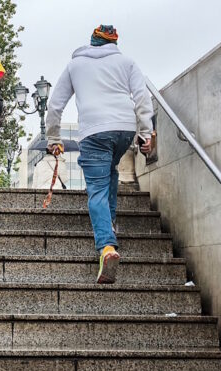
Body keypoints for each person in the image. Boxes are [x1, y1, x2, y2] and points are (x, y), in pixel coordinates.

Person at [45, 24, 154, 284]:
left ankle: (106, 245)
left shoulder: (76, 65)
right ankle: (111, 222)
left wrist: (53, 138)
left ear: (93, 42)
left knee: (96, 188)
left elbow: (55, 105)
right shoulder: (127, 62)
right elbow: (142, 97)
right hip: (123, 130)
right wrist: (145, 134)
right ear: (114, 43)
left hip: (94, 131)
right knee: (110, 171)